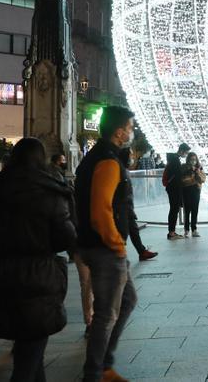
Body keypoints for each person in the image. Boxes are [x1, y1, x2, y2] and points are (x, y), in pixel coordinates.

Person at [0, 137, 77, 382]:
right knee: (29, 353)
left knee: (28, 346)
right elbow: (65, 238)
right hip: (36, 276)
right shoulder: (49, 192)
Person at [74, 105, 141, 382]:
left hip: (96, 244)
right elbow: (101, 209)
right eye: (130, 127)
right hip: (105, 248)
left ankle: (103, 364)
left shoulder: (97, 157)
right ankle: (96, 372)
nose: (132, 131)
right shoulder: (108, 161)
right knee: (107, 313)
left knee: (127, 300)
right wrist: (116, 243)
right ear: (119, 131)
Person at [117, 147, 158, 262]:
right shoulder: (118, 170)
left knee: (134, 230)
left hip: (126, 207)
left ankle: (141, 251)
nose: (132, 158)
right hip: (121, 209)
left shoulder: (124, 169)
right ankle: (119, 254)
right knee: (122, 232)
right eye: (130, 156)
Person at [180, 152, 206, 238]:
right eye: (191, 159)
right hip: (186, 191)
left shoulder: (199, 167)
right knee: (187, 211)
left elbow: (202, 179)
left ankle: (194, 229)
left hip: (196, 190)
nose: (193, 161)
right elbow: (183, 180)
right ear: (188, 159)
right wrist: (190, 172)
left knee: (195, 210)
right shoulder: (184, 167)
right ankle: (186, 230)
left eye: (194, 159)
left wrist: (197, 172)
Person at [162, 149, 186, 240]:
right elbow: (177, 175)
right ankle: (171, 233)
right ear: (182, 151)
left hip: (171, 188)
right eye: (186, 152)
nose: (186, 154)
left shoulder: (172, 159)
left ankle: (172, 232)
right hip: (174, 189)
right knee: (174, 210)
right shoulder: (175, 160)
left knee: (174, 210)